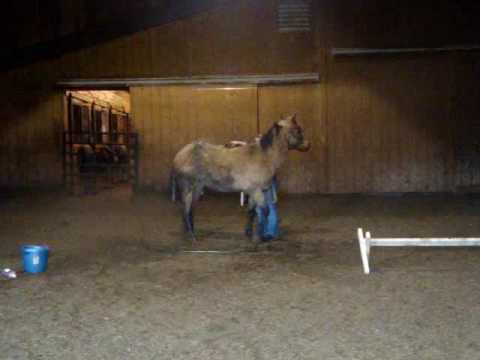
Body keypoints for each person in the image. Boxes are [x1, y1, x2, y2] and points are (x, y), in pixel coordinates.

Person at [224, 139, 280, 242]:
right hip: (258, 184)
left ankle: (270, 232)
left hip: (265, 182)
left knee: (268, 207)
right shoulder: (254, 154)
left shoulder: (261, 153)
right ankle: (264, 231)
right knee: (260, 208)